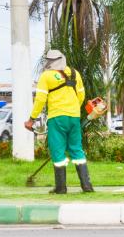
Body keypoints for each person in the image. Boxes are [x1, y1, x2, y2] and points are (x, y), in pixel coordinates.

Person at [24, 50, 94, 194]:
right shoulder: (75, 73)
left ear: (48, 61)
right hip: (74, 117)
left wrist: (31, 119)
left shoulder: (46, 76)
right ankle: (87, 186)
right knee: (76, 149)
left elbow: (40, 100)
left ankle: (61, 188)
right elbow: (81, 95)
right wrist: (73, 109)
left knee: (57, 151)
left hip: (57, 118)